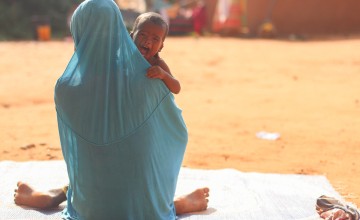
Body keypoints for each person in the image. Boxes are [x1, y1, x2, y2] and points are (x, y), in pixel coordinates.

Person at [14, 1, 209, 219]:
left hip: (91, 207)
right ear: (124, 31)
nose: (148, 42)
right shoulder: (149, 80)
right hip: (144, 205)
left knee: (93, 169)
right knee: (135, 173)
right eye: (143, 36)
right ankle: (173, 203)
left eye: (155, 39)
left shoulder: (65, 88)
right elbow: (178, 133)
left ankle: (53, 197)